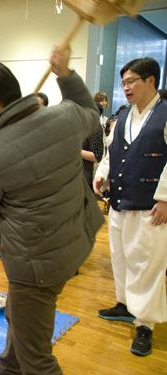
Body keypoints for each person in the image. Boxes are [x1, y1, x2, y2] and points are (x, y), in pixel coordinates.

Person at [0, 46, 103, 375]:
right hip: (72, 241)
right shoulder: (64, 117)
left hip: (36, 259)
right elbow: (89, 110)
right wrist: (65, 74)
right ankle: (9, 368)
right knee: (21, 316)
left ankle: (18, 366)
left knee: (37, 356)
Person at [93, 57, 167, 357]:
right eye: (123, 82)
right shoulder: (123, 116)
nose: (125, 88)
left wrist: (165, 198)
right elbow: (112, 152)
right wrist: (101, 175)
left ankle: (145, 324)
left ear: (151, 80)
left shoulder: (164, 113)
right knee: (121, 256)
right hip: (120, 202)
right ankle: (124, 304)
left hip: (151, 206)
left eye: (131, 81)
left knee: (146, 264)